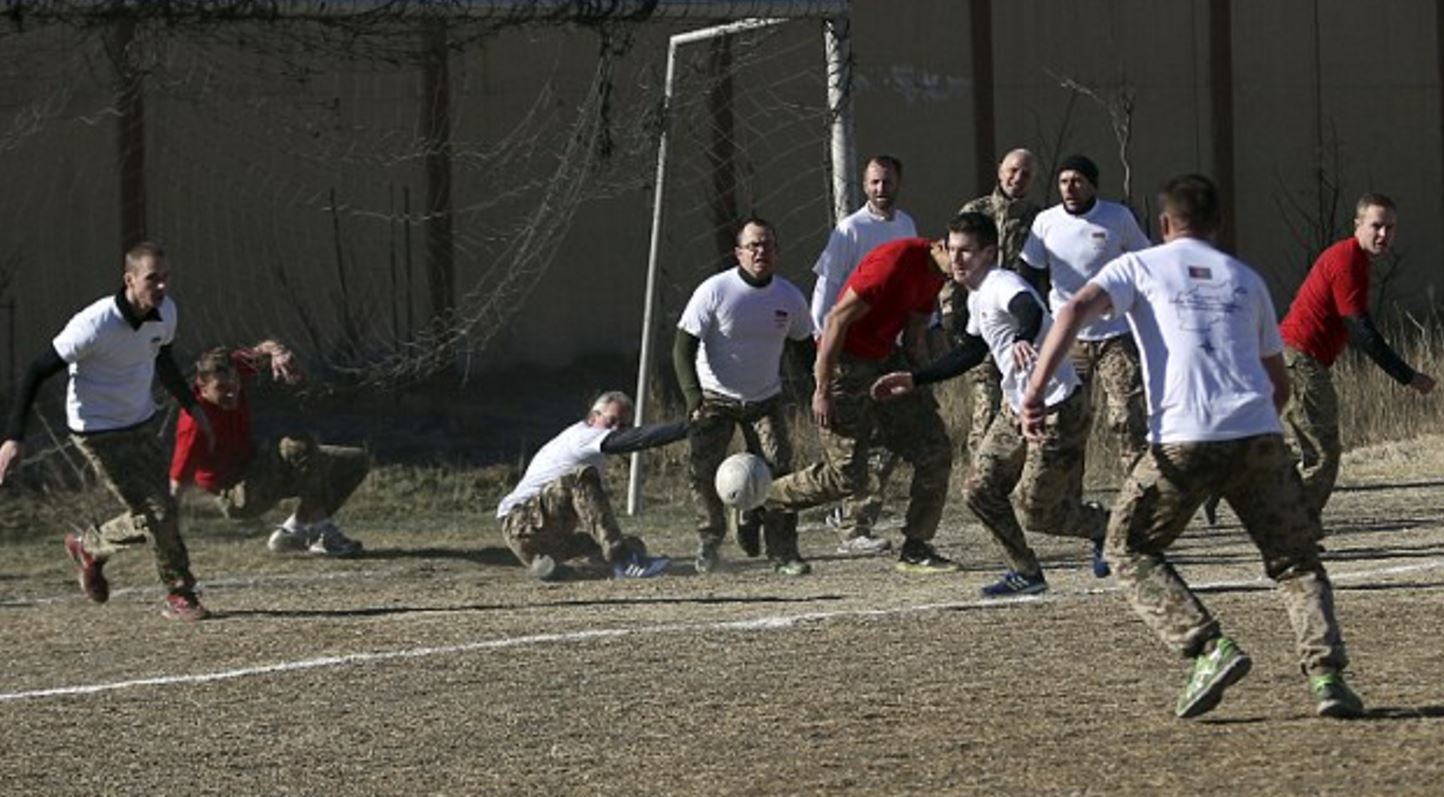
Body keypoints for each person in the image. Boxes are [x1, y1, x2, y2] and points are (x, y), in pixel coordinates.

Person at [1022, 174, 1363, 720]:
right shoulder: (1246, 279)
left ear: (1163, 224)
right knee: (1297, 561)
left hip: (1183, 436)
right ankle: (1328, 678)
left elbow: (1072, 309)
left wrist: (1035, 391)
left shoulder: (1139, 266)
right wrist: (1251, 440)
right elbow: (1279, 386)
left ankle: (1207, 648)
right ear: (1218, 224)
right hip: (1257, 433)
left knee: (1127, 547)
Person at [873, 212, 1109, 597]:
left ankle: (1106, 528)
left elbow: (1027, 309)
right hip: (1015, 410)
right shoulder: (977, 294)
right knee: (979, 490)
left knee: (1038, 512)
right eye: (951, 249)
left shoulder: (1002, 284)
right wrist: (915, 378)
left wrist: (1022, 337)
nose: (956, 259)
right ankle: (1025, 572)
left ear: (989, 253)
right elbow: (971, 350)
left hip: (1057, 408)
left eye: (966, 251)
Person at [0, 242, 211, 621]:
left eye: (166, 278)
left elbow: (163, 358)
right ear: (129, 280)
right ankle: (179, 593)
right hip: (97, 430)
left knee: (159, 510)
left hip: (141, 421)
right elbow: (36, 371)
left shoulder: (166, 312)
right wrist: (14, 437)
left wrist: (192, 406)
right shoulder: (95, 324)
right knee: (157, 510)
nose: (161, 286)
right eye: (152, 279)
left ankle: (89, 547)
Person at [766, 229, 956, 574]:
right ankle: (764, 497)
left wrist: (921, 382)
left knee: (935, 449)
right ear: (942, 246)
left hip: (885, 360)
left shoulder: (938, 274)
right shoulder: (896, 261)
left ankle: (916, 547)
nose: (965, 268)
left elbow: (914, 335)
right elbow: (835, 319)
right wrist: (822, 389)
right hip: (845, 362)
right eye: (960, 257)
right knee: (846, 476)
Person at [1276, 193, 1435, 516]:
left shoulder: (1356, 261)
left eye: (1390, 228)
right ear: (1357, 225)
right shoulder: (1346, 261)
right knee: (1322, 455)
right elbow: (1362, 331)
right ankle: (1294, 532)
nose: (1383, 234)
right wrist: (1408, 376)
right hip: (1300, 360)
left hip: (1290, 358)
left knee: (1291, 447)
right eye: (1376, 226)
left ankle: (1228, 478)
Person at [675, 216, 814, 576]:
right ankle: (709, 544)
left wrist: (820, 391)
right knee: (702, 471)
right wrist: (693, 398)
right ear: (738, 253)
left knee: (779, 470)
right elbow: (682, 348)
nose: (760, 252)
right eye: (752, 246)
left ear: (777, 252)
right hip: (715, 399)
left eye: (767, 245)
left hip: (764, 399)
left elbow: (805, 351)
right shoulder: (715, 291)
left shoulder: (789, 297)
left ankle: (783, 551)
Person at [809, 155, 917, 556]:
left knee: (895, 437)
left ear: (898, 182)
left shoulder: (906, 225)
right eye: (873, 182)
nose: (880, 189)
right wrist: (825, 344)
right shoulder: (849, 230)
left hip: (890, 348)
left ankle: (853, 514)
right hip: (851, 351)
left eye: (887, 181)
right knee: (850, 446)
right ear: (864, 184)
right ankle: (848, 524)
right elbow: (826, 289)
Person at [168, 342, 369, 556]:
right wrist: (167, 537)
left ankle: (294, 531)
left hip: (257, 466)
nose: (231, 394)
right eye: (221, 389)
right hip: (237, 494)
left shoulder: (232, 367)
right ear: (202, 386)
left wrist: (278, 353)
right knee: (296, 447)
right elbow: (176, 487)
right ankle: (320, 530)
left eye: (235, 385)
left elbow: (264, 349)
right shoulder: (194, 424)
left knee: (353, 461)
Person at [1021, 154, 1151, 475]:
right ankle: (1068, 493)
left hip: (1115, 333)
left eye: (1077, 181)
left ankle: (1138, 489)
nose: (1070, 188)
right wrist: (1036, 323)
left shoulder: (1117, 217)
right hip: (1068, 338)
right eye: (1064, 182)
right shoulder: (1045, 222)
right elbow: (1030, 273)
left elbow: (1145, 263)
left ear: (1092, 185)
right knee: (1067, 419)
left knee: (1127, 416)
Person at [496, 391, 678, 581]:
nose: (616, 429)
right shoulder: (583, 435)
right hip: (521, 523)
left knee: (633, 544)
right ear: (593, 417)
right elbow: (637, 438)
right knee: (579, 478)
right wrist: (684, 428)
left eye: (623, 426)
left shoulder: (594, 452)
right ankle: (622, 560)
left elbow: (588, 513)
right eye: (611, 421)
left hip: (549, 541)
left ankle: (561, 571)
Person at [941, 148, 1044, 459]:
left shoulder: (1039, 220)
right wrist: (951, 315)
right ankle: (979, 467)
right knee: (986, 402)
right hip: (982, 318)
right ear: (1000, 171)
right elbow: (952, 266)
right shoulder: (977, 211)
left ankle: (1016, 467)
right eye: (1012, 170)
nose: (1018, 178)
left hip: (1021, 324)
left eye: (1026, 174)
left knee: (1024, 400)